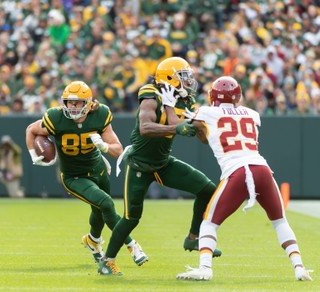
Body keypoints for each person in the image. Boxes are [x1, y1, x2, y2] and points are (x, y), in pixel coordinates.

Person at [176, 76, 312, 281]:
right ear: (237, 96)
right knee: (280, 221)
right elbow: (211, 133)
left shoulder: (206, 112)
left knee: (209, 222)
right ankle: (299, 266)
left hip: (237, 171)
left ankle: (205, 268)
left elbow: (197, 130)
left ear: (214, 95)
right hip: (262, 168)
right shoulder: (253, 114)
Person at [98, 57, 222, 276]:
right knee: (131, 218)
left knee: (208, 189)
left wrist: (200, 124)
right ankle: (107, 260)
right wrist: (179, 128)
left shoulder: (184, 101)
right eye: (183, 77)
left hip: (163, 163)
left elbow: (198, 136)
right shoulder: (150, 94)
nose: (188, 81)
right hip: (140, 165)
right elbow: (145, 127)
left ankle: (193, 238)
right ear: (168, 77)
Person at [25, 81, 148, 266]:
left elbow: (118, 150)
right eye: (69, 102)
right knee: (106, 203)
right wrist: (34, 154)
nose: (72, 107)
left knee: (99, 211)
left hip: (98, 169)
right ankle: (132, 245)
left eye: (77, 103)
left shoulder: (99, 115)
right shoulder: (56, 117)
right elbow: (31, 130)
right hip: (74, 176)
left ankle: (93, 240)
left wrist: (104, 146)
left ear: (88, 103)